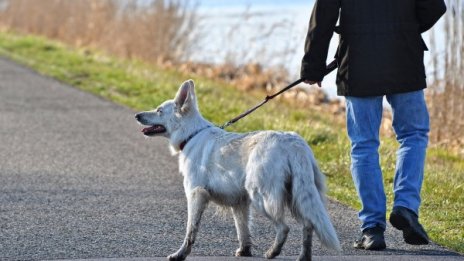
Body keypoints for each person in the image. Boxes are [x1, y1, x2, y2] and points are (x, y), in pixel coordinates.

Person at [300, 0, 446, 250]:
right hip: (404, 57)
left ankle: (372, 229)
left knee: (364, 145)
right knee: (413, 135)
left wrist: (313, 67)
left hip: (358, 62)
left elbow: (322, 16)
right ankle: (406, 207)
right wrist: (405, 28)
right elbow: (434, 7)